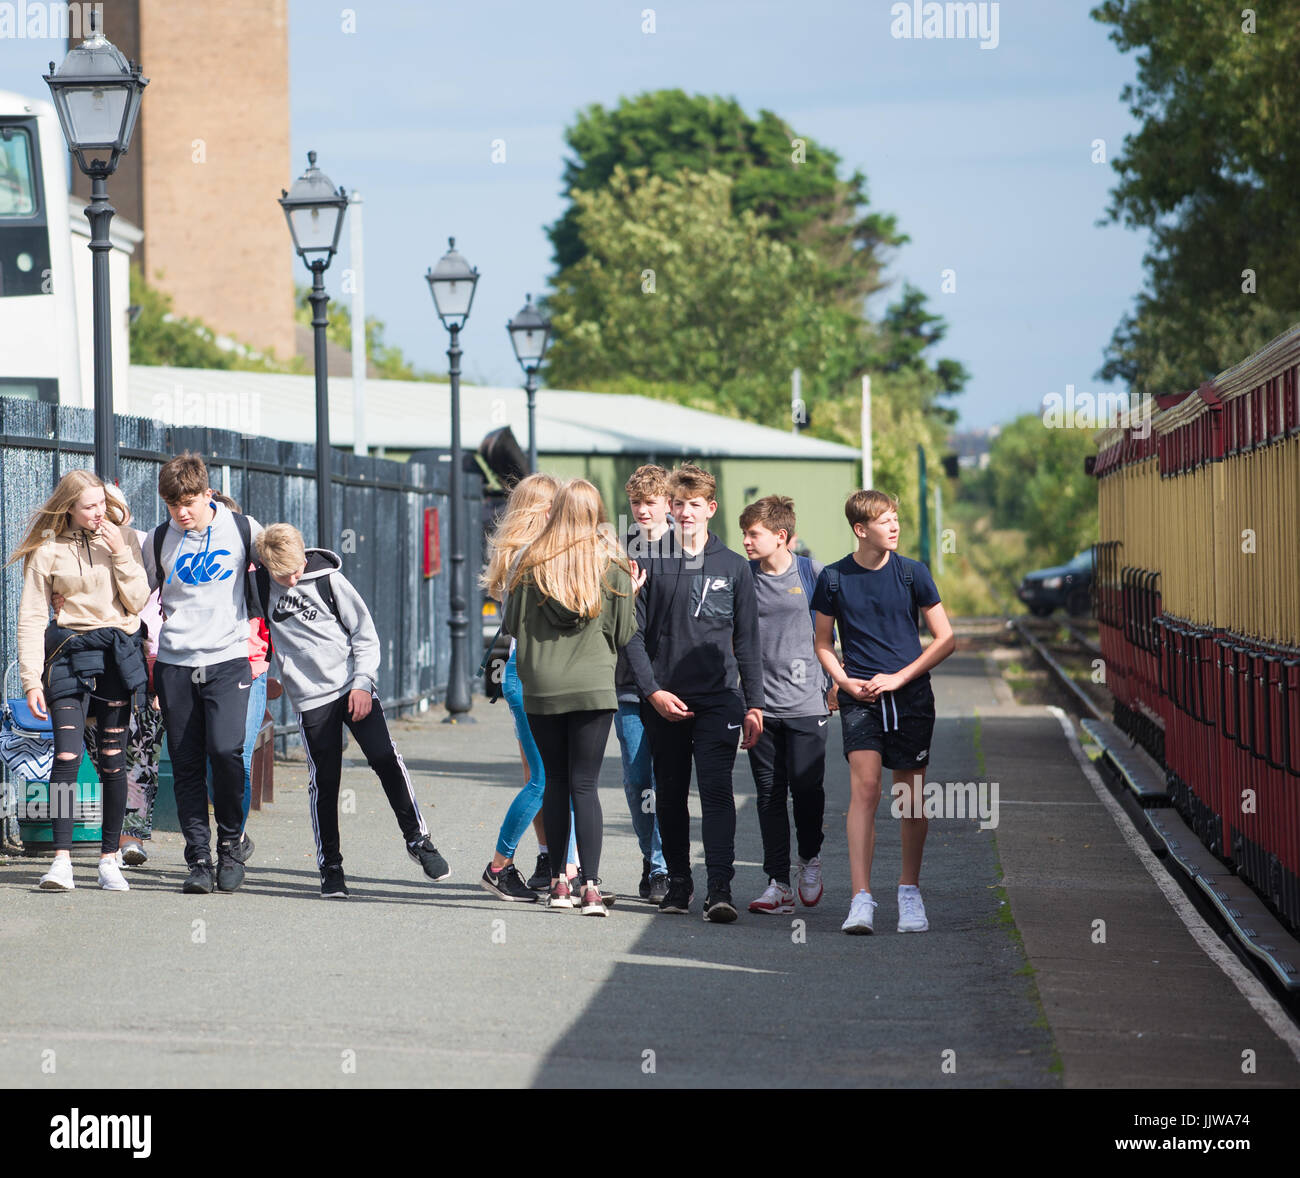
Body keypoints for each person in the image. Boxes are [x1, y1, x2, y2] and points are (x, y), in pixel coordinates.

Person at [250, 524, 449, 897]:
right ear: (265, 565)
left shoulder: (329, 581)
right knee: (325, 781)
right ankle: (331, 866)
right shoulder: (260, 585)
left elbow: (365, 635)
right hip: (311, 698)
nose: (293, 580)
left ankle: (418, 839)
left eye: (297, 570)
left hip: (350, 685)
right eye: (283, 575)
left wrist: (361, 683)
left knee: (385, 757)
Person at [623, 462, 764, 923]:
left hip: (720, 698)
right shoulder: (646, 561)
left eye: (694, 505)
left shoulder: (735, 568)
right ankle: (679, 884)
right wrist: (652, 692)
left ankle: (719, 887)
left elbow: (746, 641)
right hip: (664, 700)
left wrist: (755, 703)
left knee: (717, 790)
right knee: (669, 793)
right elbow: (632, 636)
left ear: (711, 509)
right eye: (678, 504)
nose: (684, 513)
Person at [811, 489, 955, 935]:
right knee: (867, 788)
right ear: (861, 529)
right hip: (860, 698)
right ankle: (861, 899)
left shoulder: (913, 574)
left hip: (909, 697)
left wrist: (900, 677)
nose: (893, 526)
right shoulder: (833, 578)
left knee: (909, 799)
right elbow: (822, 643)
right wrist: (842, 680)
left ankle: (909, 892)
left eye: (895, 518)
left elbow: (946, 639)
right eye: (884, 520)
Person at [12, 470, 150, 891]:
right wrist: (31, 681)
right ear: (69, 506)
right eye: (89, 506)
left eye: (102, 505)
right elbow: (33, 616)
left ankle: (109, 860)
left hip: (116, 654)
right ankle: (61, 862)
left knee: (112, 759)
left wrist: (120, 554)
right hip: (69, 654)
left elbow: (139, 600)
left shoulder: (123, 539)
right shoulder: (47, 551)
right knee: (67, 758)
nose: (98, 513)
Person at [504, 478, 636, 914]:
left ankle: (559, 881)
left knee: (555, 782)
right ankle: (591, 887)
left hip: (542, 685)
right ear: (596, 513)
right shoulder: (614, 564)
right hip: (594, 686)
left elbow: (512, 626)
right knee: (586, 785)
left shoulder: (531, 564)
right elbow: (622, 633)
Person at [140, 453, 262, 894]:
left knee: (226, 751)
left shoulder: (243, 528)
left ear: (208, 494)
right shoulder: (157, 541)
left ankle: (232, 844)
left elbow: (285, 566)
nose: (181, 513)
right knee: (188, 764)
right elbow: (132, 591)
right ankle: (198, 860)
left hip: (228, 659)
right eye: (173, 506)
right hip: (175, 664)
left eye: (189, 502)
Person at [476, 473, 579, 903]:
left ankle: (566, 869)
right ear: (541, 510)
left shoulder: (516, 552)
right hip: (531, 670)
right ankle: (499, 866)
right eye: (556, 506)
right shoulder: (531, 556)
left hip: (525, 669)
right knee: (543, 779)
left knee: (551, 776)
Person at [740, 495, 832, 915]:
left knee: (807, 788)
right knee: (768, 795)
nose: (745, 540)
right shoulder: (744, 579)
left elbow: (835, 633)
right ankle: (777, 883)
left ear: (781, 537)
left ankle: (809, 859)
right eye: (744, 533)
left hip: (808, 702)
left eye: (753, 533)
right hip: (761, 706)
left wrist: (837, 682)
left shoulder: (813, 574)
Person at [615, 465, 671, 903]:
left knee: (669, 780)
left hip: (675, 683)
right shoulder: (619, 551)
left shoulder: (689, 548)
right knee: (638, 780)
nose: (643, 511)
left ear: (669, 504)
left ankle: (663, 867)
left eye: (651, 503)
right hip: (629, 683)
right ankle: (651, 861)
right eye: (636, 504)